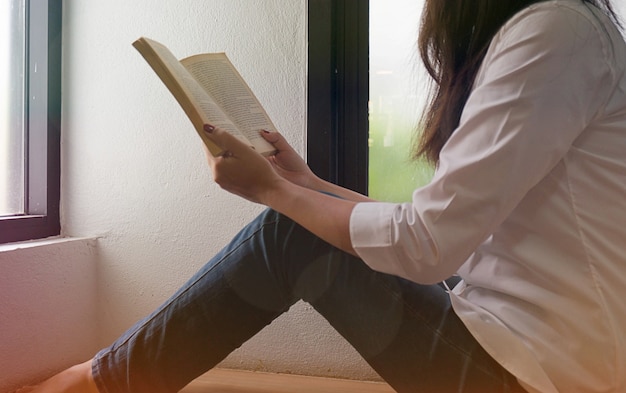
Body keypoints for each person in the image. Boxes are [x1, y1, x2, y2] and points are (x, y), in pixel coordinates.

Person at [16, 0, 626, 392]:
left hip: (536, 376)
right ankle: (107, 377)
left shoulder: (555, 26)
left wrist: (279, 194)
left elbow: (429, 245)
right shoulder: (558, 27)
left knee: (289, 235)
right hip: (522, 352)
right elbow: (440, 230)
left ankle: (101, 383)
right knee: (295, 227)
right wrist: (303, 183)